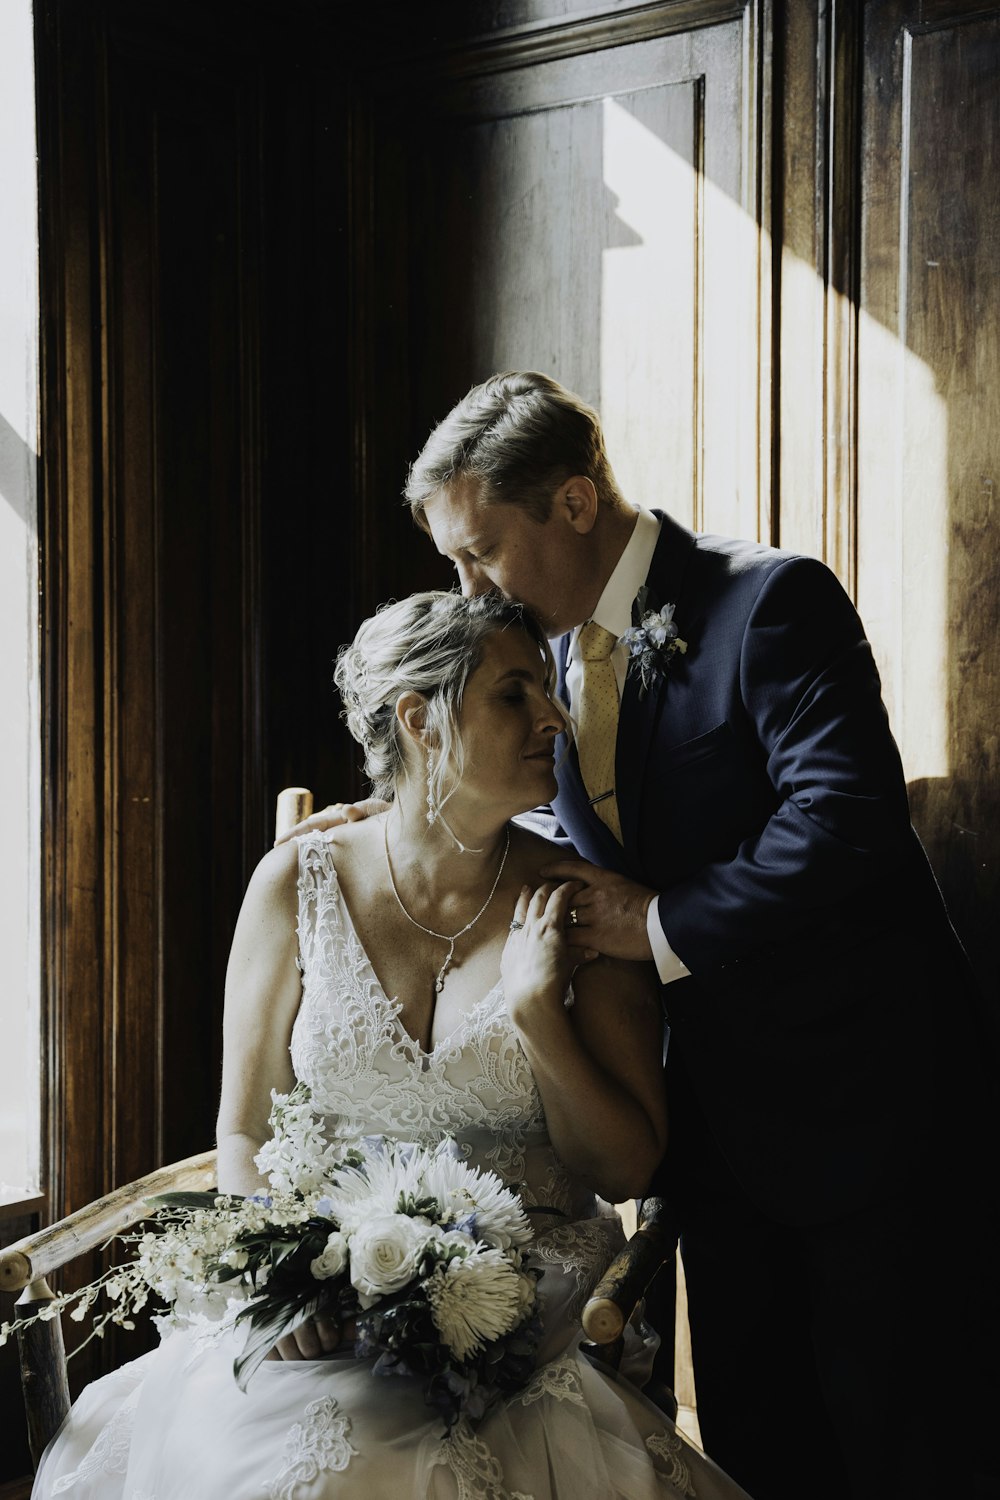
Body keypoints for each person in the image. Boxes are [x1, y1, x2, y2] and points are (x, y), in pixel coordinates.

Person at [286, 373, 995, 1500]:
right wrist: (402, 806)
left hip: (868, 1121)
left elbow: (845, 821)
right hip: (715, 1143)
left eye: (480, 554)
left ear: (573, 505)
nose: (470, 591)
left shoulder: (767, 603)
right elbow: (567, 812)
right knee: (767, 1457)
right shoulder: (552, 654)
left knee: (910, 1451)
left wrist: (655, 922)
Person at [32, 590, 756, 1500]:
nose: (554, 716)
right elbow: (244, 1131)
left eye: (547, 688)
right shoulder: (300, 881)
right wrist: (282, 1275)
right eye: (514, 693)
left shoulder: (582, 905)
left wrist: (538, 1016)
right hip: (321, 1298)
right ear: (420, 719)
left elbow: (623, 1166)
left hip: (519, 1303)